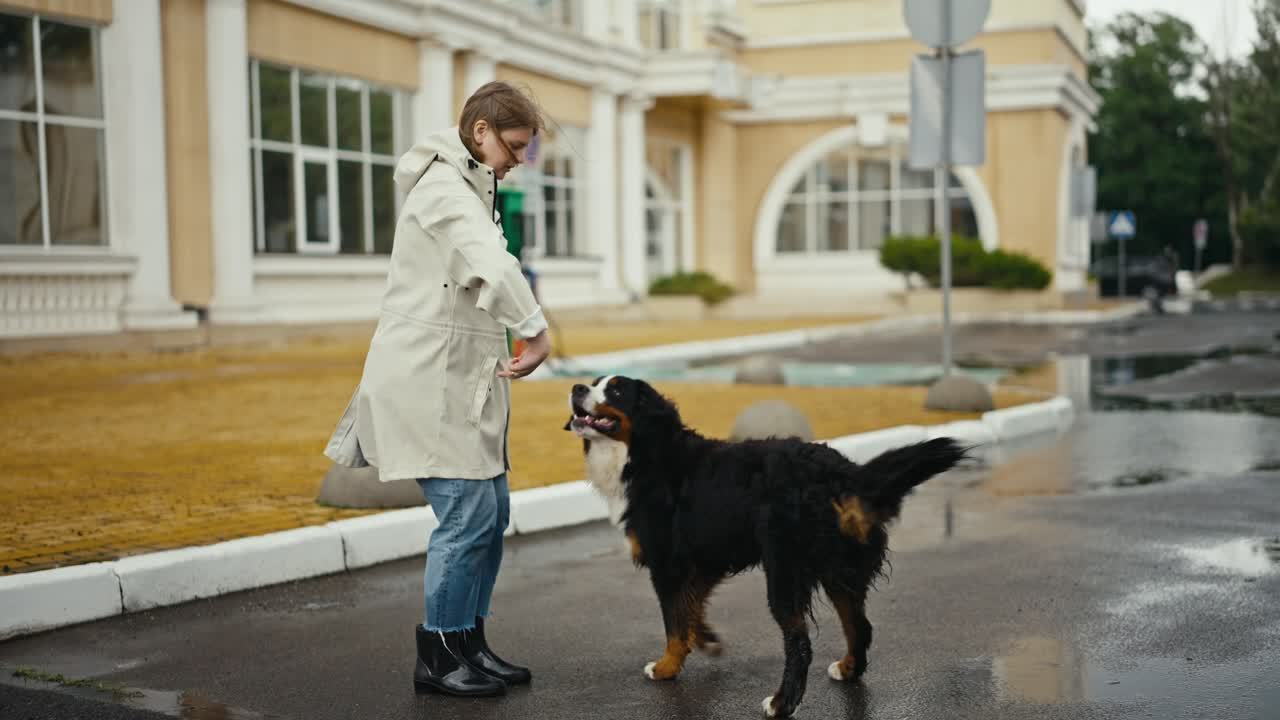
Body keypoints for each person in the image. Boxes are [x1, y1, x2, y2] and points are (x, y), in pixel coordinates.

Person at [324, 81, 552, 698]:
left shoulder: (474, 186)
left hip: (461, 382)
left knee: (492, 512)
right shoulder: (445, 190)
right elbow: (493, 263)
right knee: (465, 516)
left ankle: (469, 643)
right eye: (513, 146)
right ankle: (439, 652)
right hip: (428, 381)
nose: (517, 160)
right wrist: (534, 328)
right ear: (481, 132)